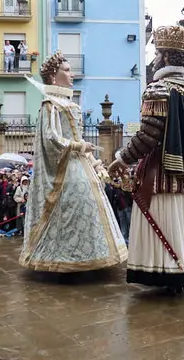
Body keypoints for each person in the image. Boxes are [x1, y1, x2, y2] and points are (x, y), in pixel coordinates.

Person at [110, 26, 184, 293]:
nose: (155, 59)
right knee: (183, 222)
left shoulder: (159, 89)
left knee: (166, 220)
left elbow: (147, 135)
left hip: (162, 175)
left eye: (157, 54)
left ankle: (165, 271)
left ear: (165, 57)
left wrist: (122, 158)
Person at [21, 52, 127, 272]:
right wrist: (79, 147)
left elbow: (77, 140)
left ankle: (92, 257)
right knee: (75, 205)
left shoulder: (68, 103)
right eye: (67, 70)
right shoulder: (50, 104)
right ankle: (64, 259)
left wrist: (95, 162)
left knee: (90, 203)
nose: (72, 74)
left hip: (81, 165)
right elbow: (51, 138)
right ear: (53, 76)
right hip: (67, 169)